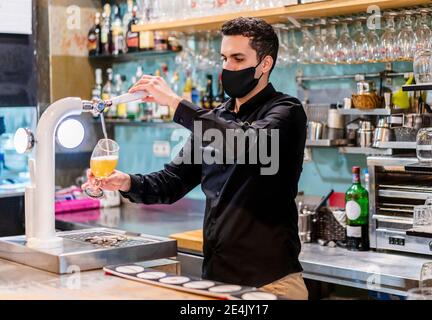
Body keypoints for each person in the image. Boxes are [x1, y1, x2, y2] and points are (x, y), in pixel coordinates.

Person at [83, 17, 308, 300]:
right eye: (224, 58)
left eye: (238, 58)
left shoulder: (286, 112)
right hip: (217, 282)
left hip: (270, 283)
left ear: (265, 64)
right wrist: (125, 182)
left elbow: (247, 145)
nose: (228, 67)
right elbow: (171, 182)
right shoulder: (218, 117)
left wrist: (175, 103)